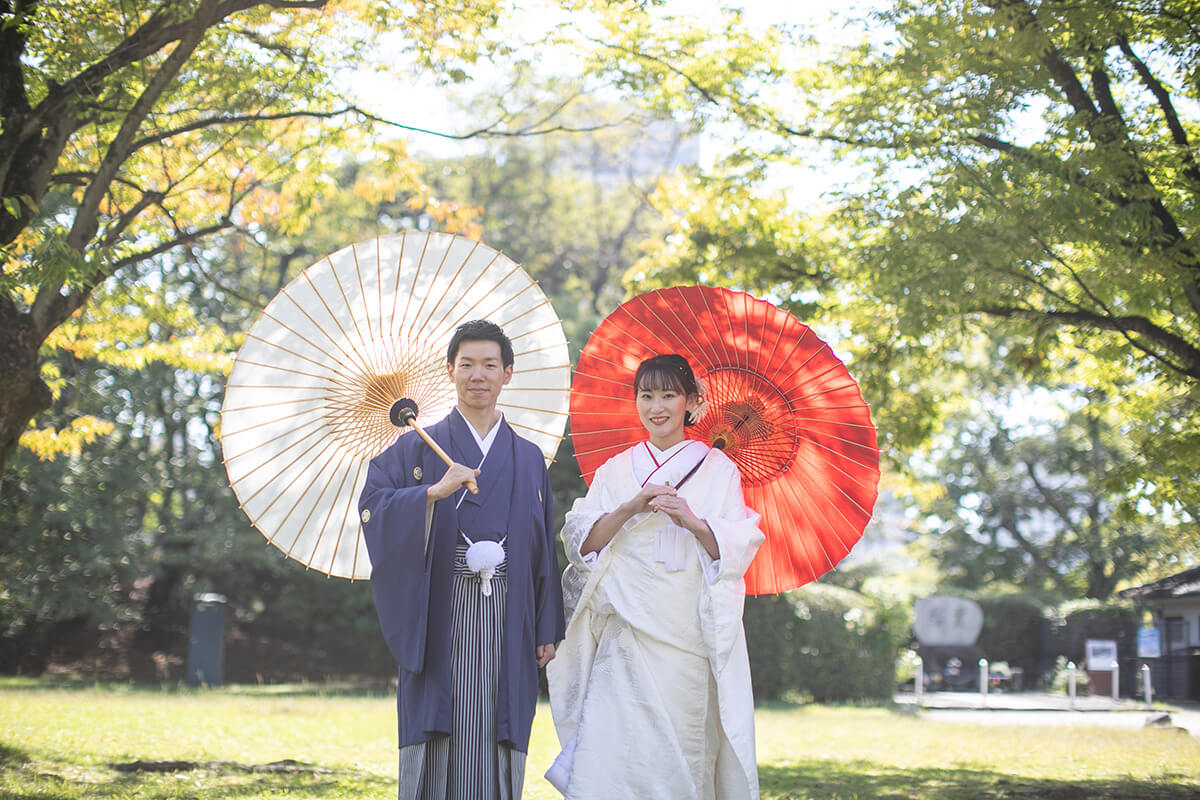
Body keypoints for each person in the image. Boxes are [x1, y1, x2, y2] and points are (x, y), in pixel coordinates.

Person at [358, 319, 565, 800]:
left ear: (507, 373)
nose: (478, 375)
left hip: (510, 613)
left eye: (489, 365)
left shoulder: (529, 456)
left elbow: (541, 543)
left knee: (499, 723)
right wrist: (431, 492)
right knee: (441, 722)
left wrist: (546, 624)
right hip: (442, 608)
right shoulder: (416, 444)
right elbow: (373, 506)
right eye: (467, 364)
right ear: (449, 370)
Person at [546, 354, 765, 800]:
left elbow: (738, 546)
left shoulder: (718, 468)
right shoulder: (617, 469)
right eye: (647, 396)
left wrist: (693, 520)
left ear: (691, 401)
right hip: (626, 631)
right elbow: (581, 543)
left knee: (682, 748)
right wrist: (629, 506)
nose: (657, 406)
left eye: (669, 395)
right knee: (615, 748)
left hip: (687, 634)